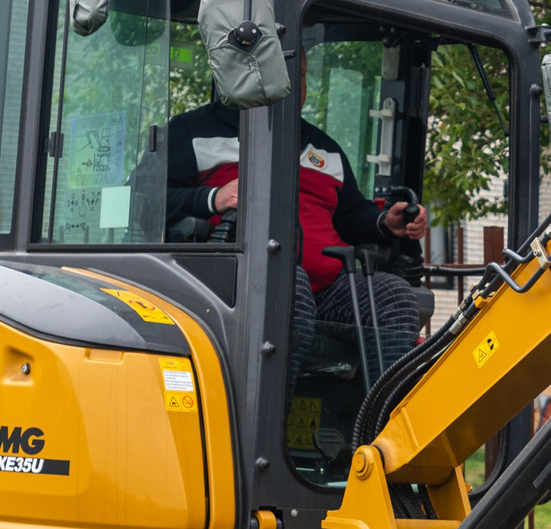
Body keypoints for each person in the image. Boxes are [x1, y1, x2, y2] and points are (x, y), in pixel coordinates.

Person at [163, 102, 430, 379]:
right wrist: (212, 198)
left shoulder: (325, 149)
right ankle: (271, 422)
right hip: (232, 286)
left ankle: (383, 417)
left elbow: (351, 213)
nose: (293, 83)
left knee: (394, 297)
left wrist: (385, 222)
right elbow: (147, 198)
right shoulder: (191, 132)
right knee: (287, 284)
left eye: (300, 74)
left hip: (327, 289)